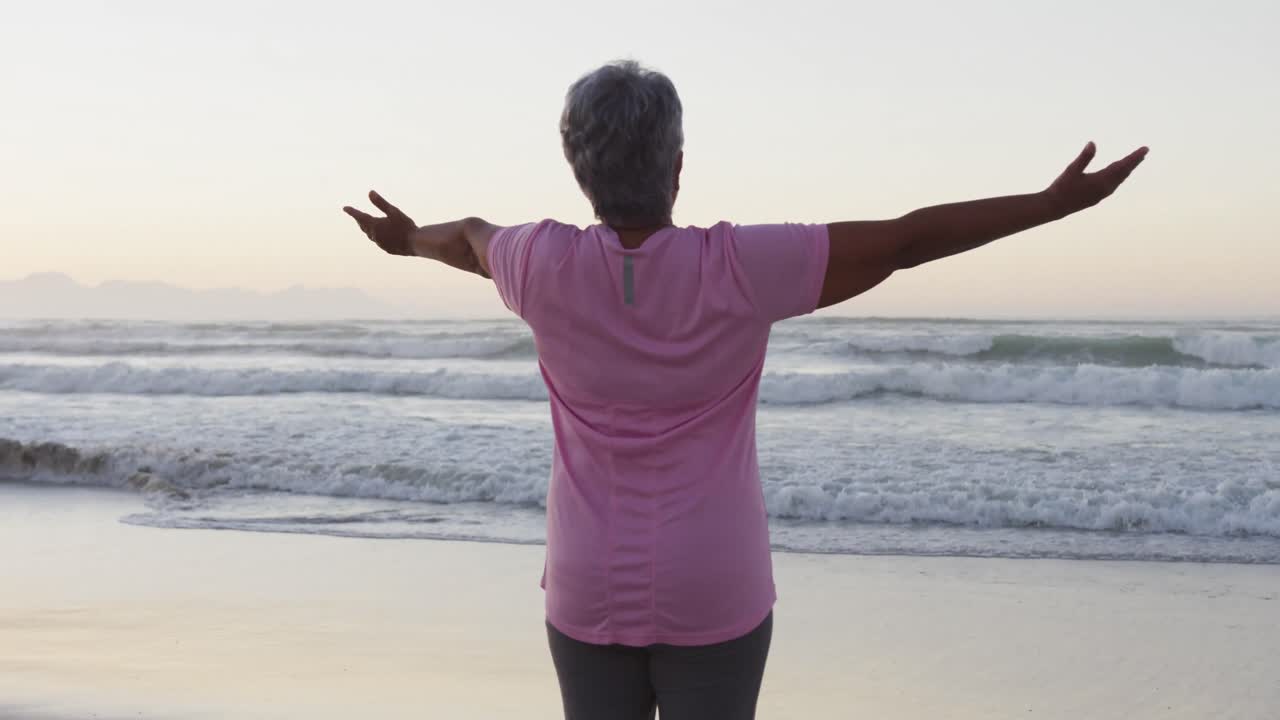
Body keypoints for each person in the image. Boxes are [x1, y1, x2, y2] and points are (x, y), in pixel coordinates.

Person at [343, 60, 1147, 720]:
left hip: (587, 579)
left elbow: (468, 240)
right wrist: (1045, 208)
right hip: (713, 580)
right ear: (678, 167)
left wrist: (404, 240)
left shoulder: (537, 263)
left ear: (578, 171)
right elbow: (902, 243)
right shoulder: (740, 267)